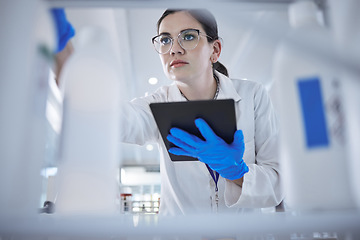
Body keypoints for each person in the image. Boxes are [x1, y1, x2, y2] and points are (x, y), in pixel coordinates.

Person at [55, 8, 283, 216]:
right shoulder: (157, 104)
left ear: (215, 50)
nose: (174, 48)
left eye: (189, 36)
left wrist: (237, 172)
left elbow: (278, 184)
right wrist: (69, 64)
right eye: (165, 40)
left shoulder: (253, 95)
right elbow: (117, 120)